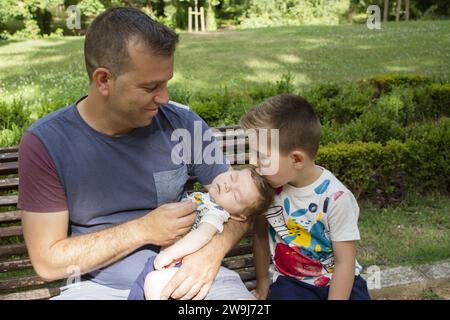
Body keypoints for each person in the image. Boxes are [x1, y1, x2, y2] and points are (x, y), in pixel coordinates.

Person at [18, 7, 254, 300]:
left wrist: (211, 253)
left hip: (190, 275)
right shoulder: (46, 143)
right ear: (104, 80)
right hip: (95, 289)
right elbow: (47, 261)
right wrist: (143, 230)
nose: (165, 97)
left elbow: (244, 207)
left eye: (166, 82)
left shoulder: (182, 123)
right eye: (150, 86)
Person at [239, 94, 371, 300]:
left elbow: (345, 262)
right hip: (293, 284)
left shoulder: (336, 199)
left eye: (262, 156)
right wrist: (264, 281)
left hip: (340, 280)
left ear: (297, 159)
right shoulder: (267, 187)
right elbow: (260, 235)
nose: (253, 162)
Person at [128, 167, 275, 299]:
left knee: (153, 282)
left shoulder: (216, 213)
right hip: (167, 263)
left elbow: (202, 235)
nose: (227, 185)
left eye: (236, 195)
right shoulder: (203, 199)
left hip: (183, 265)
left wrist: (170, 254)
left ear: (238, 216)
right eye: (233, 177)